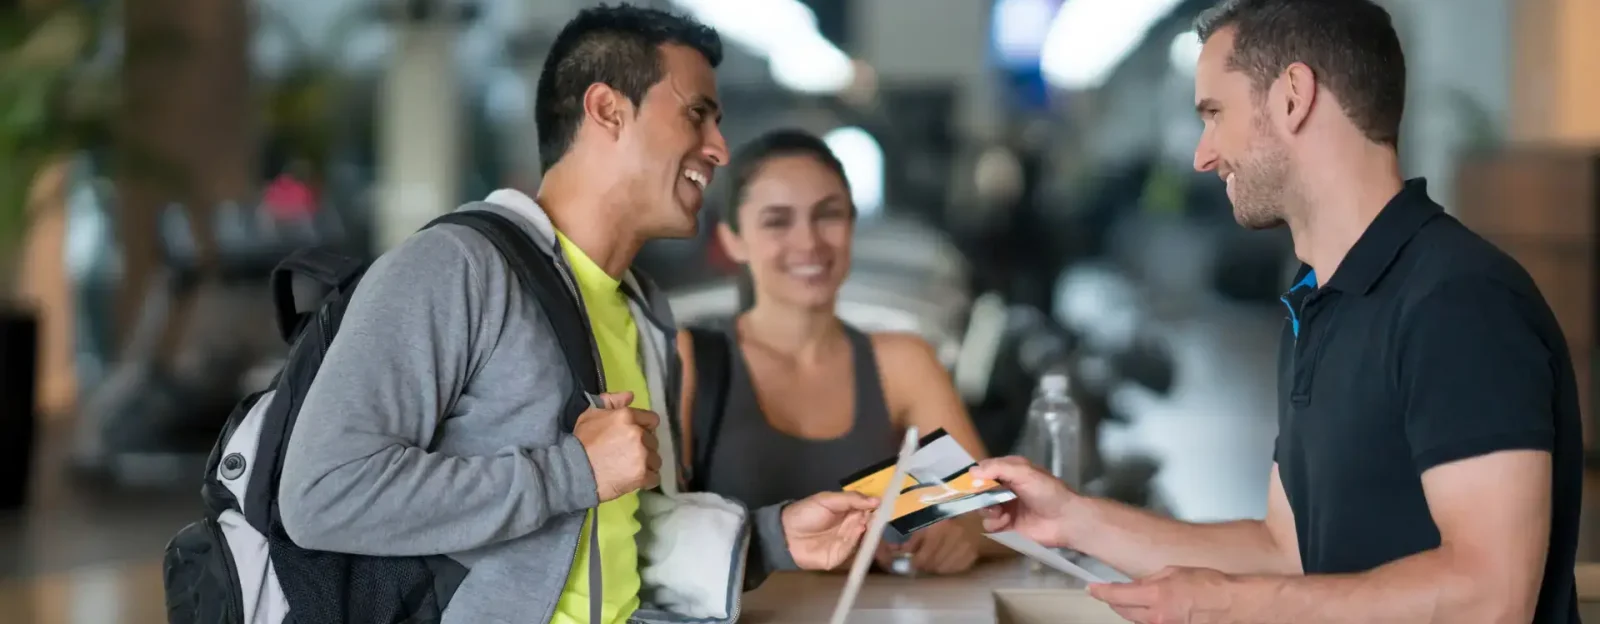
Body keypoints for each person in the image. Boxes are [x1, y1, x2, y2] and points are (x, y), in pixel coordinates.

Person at [973, 1, 1584, 622]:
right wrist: (1073, 520)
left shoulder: (1458, 302)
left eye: (1215, 114)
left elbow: (1491, 596)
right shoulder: (1317, 299)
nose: (1203, 155)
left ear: (1293, 97)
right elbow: (1285, 552)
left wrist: (1230, 604)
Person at [277, 6, 877, 624]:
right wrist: (572, 470)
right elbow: (322, 494)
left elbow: (610, 532)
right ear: (607, 109)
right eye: (696, 114)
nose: (720, 149)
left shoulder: (641, 310)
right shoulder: (457, 267)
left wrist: (770, 539)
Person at [675, 129, 1010, 576]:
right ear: (732, 240)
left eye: (828, 215)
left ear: (852, 227)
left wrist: (959, 534)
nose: (809, 242)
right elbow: (653, 532)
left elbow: (992, 516)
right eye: (777, 221)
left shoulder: (902, 364)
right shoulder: (692, 359)